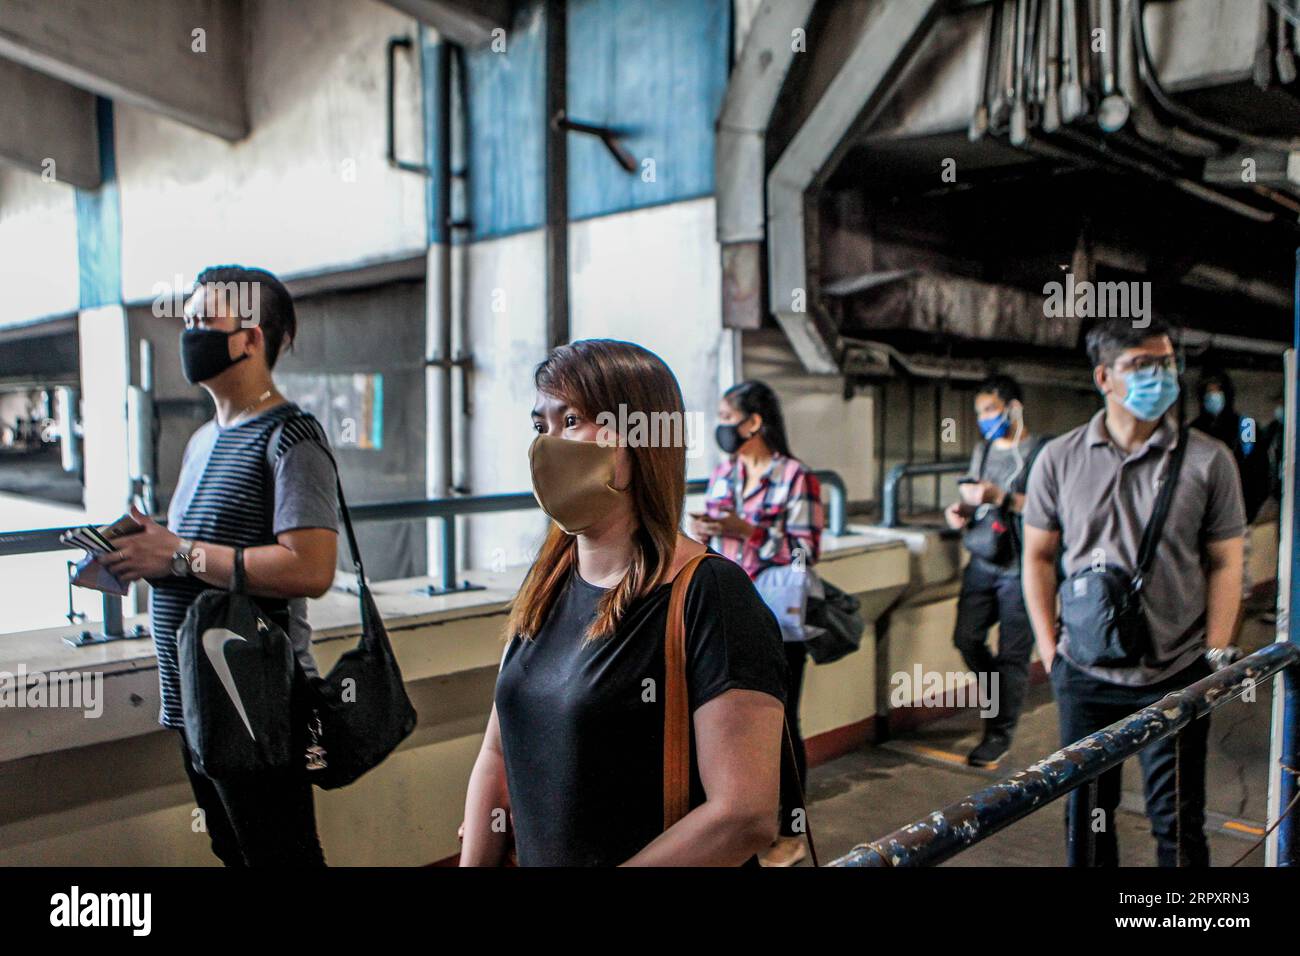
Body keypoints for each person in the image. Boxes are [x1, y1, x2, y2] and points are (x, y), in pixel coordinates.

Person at [459, 340, 789, 867]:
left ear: (637, 437)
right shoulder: (546, 583)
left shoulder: (711, 596)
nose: (548, 444)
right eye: (540, 425)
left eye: (571, 420)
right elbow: (496, 757)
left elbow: (742, 815)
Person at [99, 265, 339, 867]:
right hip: (196, 698)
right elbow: (204, 557)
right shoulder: (204, 438)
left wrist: (178, 552)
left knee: (279, 857)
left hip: (253, 699)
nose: (190, 333)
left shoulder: (292, 438)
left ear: (251, 338)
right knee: (233, 851)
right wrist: (150, 551)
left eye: (205, 321)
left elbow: (309, 568)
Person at [1022, 317, 1245, 867]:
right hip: (1084, 674)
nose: (1160, 376)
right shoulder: (1060, 458)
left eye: (1166, 363)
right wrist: (1052, 653)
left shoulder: (1208, 460)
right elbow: (1038, 556)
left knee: (1177, 824)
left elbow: (1226, 563)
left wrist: (1214, 657)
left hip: (1174, 675)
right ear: (1104, 377)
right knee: (1089, 822)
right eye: (1141, 366)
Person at [690, 380, 824, 867]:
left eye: (729, 416)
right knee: (728, 721)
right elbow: (718, 541)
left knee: (784, 723)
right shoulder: (724, 473)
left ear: (754, 422)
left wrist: (750, 532)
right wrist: (706, 530)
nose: (722, 426)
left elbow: (806, 552)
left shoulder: (796, 477)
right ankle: (742, 823)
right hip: (730, 611)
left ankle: (791, 832)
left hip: (780, 616)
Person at [944, 374, 1048, 769]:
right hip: (983, 559)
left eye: (990, 410)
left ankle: (998, 734)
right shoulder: (983, 450)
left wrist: (1001, 496)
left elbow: (1045, 508)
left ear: (1013, 407)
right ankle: (998, 694)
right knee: (966, 638)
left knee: (1013, 655)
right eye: (979, 413)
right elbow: (972, 499)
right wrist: (961, 511)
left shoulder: (1041, 452)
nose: (984, 419)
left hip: (1021, 567)